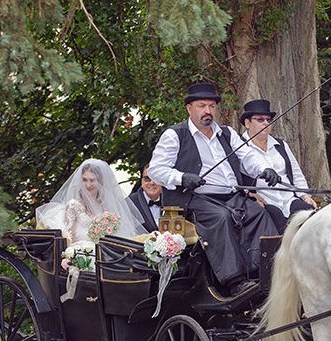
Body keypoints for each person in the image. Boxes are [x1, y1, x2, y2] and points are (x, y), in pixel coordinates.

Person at [148, 83, 281, 296]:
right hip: (195, 199)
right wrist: (182, 177)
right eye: (202, 105)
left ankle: (266, 273)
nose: (207, 111)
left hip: (231, 196)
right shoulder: (175, 134)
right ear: (189, 108)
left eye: (211, 105)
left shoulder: (227, 133)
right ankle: (234, 282)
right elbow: (156, 169)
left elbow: (248, 157)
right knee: (220, 218)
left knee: (259, 214)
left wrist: (265, 169)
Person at [240, 99, 316, 231]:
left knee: (310, 215)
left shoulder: (281, 145)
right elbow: (234, 179)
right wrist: (248, 195)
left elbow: (296, 173)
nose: (265, 123)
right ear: (247, 123)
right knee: (276, 223)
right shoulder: (239, 147)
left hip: (288, 199)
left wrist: (305, 195)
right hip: (264, 202)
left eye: (268, 120)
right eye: (260, 120)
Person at [36, 158, 147, 244]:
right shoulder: (73, 206)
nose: (88, 185)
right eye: (84, 180)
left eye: (92, 180)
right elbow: (70, 238)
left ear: (99, 182)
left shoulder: (107, 206)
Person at [129, 164, 162, 232]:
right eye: (147, 179)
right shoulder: (130, 202)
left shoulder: (171, 201)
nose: (152, 183)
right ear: (142, 181)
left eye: (156, 179)